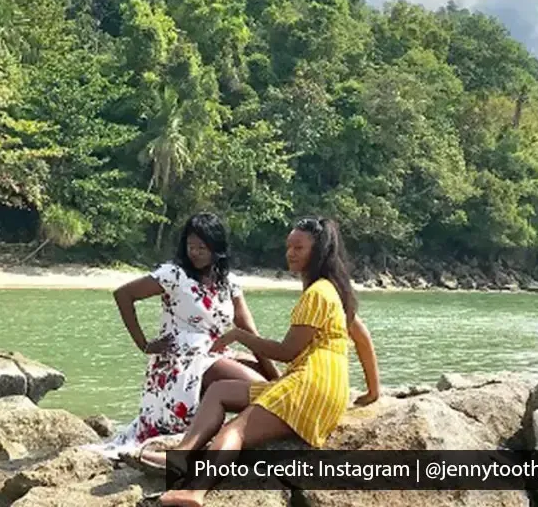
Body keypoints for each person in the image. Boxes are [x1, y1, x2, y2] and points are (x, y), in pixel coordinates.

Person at [138, 217, 381, 507]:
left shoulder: (317, 294)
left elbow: (287, 351)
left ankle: (194, 492)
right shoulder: (334, 291)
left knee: (235, 431)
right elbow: (362, 338)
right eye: (289, 246)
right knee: (219, 392)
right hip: (322, 385)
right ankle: (180, 455)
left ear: (318, 252)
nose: (290, 252)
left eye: (299, 247)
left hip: (309, 386)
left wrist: (240, 336)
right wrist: (373, 391)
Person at [103, 213, 280, 455]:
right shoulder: (174, 275)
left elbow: (250, 332)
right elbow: (123, 294)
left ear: (216, 247)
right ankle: (219, 439)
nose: (194, 252)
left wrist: (277, 377)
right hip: (183, 361)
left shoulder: (229, 283)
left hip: (215, 353)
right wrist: (143, 344)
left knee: (273, 387)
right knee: (259, 389)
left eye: (202, 247)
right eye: (190, 246)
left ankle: (226, 433)